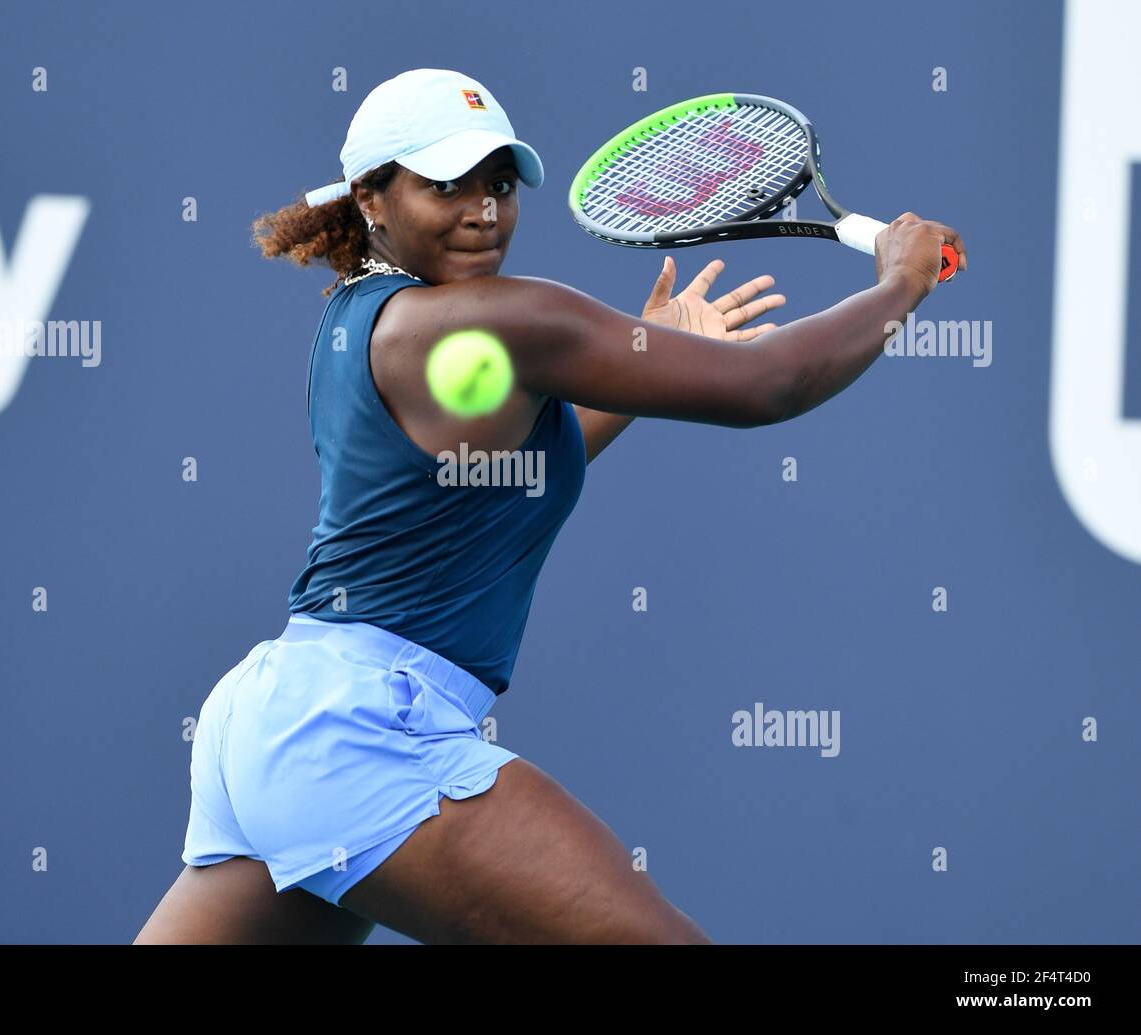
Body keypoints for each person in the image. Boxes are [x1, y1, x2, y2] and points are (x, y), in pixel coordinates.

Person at [134, 68, 966, 945]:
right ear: (371, 198)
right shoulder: (498, 319)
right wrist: (899, 284)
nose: (482, 209)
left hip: (270, 727)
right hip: (361, 731)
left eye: (498, 183)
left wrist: (659, 357)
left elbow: (495, 478)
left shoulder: (361, 318)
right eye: (445, 183)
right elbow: (772, 382)